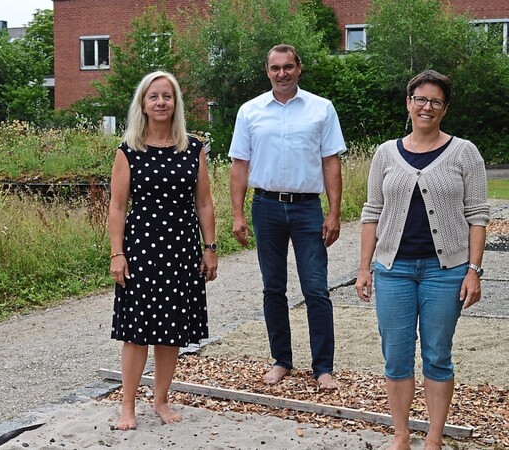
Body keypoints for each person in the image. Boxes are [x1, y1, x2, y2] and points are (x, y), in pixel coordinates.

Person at [354, 70, 489, 450]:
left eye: (435, 101)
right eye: (420, 99)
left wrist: (474, 271)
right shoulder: (385, 153)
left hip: (445, 272)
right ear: (408, 103)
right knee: (395, 355)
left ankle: (433, 437)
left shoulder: (465, 152)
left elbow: (478, 216)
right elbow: (372, 212)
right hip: (393, 270)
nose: (426, 106)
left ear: (445, 108)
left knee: (437, 354)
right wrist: (364, 268)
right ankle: (400, 434)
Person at [228, 44, 346, 390]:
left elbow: (331, 162)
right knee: (273, 288)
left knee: (316, 288)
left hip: (308, 207)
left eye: (288, 67)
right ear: (267, 71)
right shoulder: (250, 112)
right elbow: (239, 165)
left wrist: (335, 212)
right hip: (266, 206)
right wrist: (237, 213)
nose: (282, 73)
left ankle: (323, 367)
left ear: (299, 68)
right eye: (276, 68)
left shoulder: (321, 109)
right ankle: (282, 360)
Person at [108, 70, 218, 430]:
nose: (160, 102)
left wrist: (210, 247)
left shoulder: (193, 148)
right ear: (143, 102)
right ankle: (127, 405)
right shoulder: (128, 151)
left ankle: (161, 400)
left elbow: (203, 203)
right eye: (153, 96)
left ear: (176, 103)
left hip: (182, 250)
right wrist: (116, 253)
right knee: (136, 331)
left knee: (171, 331)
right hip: (140, 250)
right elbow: (118, 207)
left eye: (166, 97)